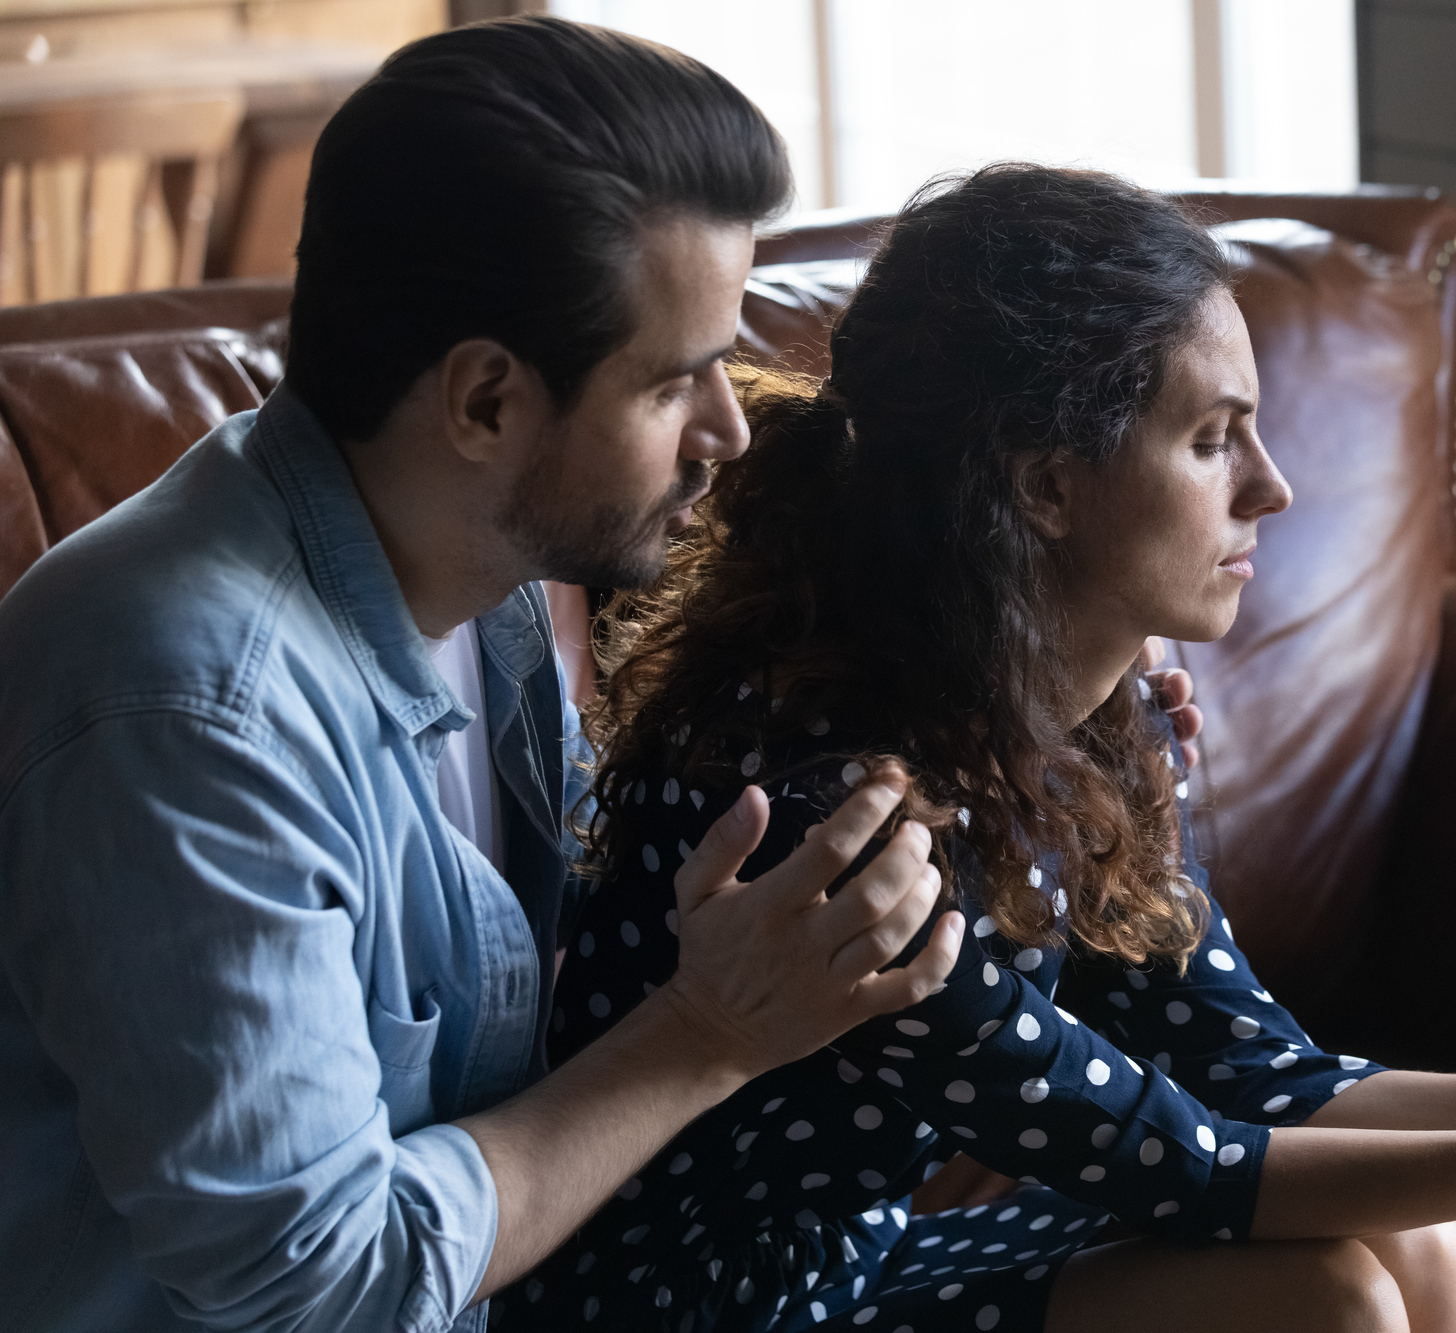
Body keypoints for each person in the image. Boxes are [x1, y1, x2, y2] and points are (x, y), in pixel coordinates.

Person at [512, 164, 1456, 1333]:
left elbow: (1282, 1079)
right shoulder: (846, 815)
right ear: (1049, 484)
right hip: (708, 1317)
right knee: (1336, 1300)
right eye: (1212, 440)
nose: (1274, 487)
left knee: (1408, 1245)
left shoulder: (1088, 726)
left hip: (861, 1272)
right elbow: (1184, 1161)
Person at [0, 19, 971, 1332]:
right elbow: (324, 1288)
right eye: (677, 381)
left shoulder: (477, 570)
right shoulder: (188, 712)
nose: (729, 431)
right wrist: (709, 1029)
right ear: (484, 403)